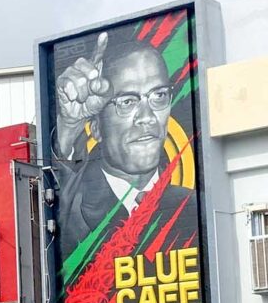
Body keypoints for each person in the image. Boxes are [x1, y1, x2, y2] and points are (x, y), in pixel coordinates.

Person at [54, 31, 193, 271]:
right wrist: (67, 129)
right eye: (128, 101)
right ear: (96, 127)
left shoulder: (190, 205)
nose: (147, 118)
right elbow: (54, 215)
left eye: (159, 96)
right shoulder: (74, 207)